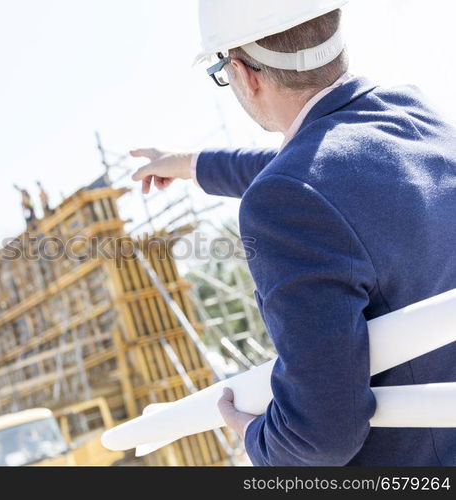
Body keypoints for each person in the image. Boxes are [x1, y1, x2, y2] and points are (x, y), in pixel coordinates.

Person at [131, 0, 456, 466]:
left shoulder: (291, 196)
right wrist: (190, 165)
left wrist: (257, 440)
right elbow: (320, 170)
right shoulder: (417, 115)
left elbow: (319, 437)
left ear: (244, 74)